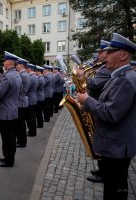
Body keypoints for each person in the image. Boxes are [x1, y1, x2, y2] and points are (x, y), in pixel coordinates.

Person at [76, 33, 136, 200]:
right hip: (116, 144)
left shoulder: (124, 79)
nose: (104, 55)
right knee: (112, 188)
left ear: (123, 55)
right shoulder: (118, 76)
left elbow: (111, 113)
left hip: (117, 146)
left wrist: (87, 100)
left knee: (114, 192)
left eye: (110, 52)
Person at [77, 40, 112, 184]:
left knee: (103, 140)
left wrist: (81, 76)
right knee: (100, 138)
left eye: (101, 52)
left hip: (99, 106)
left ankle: (104, 172)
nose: (99, 55)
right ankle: (102, 169)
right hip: (97, 104)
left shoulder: (107, 69)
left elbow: (94, 84)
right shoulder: (103, 67)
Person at [0, 51, 22, 167]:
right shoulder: (17, 75)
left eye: (5, 61)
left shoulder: (7, 76)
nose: (3, 63)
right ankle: (10, 158)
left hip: (5, 112)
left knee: (7, 138)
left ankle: (8, 160)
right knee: (11, 136)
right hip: (13, 110)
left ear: (9, 62)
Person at [15, 57, 30, 148]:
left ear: (21, 65)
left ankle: (21, 141)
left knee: (20, 124)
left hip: (20, 102)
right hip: (23, 101)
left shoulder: (22, 75)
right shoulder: (25, 74)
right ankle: (22, 140)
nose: (16, 67)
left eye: (17, 65)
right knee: (21, 123)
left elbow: (18, 89)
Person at [25, 63, 38, 137]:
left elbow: (27, 88)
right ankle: (32, 130)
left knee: (30, 117)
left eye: (27, 68)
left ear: (30, 69)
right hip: (33, 97)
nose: (26, 70)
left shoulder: (30, 77)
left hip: (30, 98)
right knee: (32, 116)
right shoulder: (35, 76)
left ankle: (32, 131)